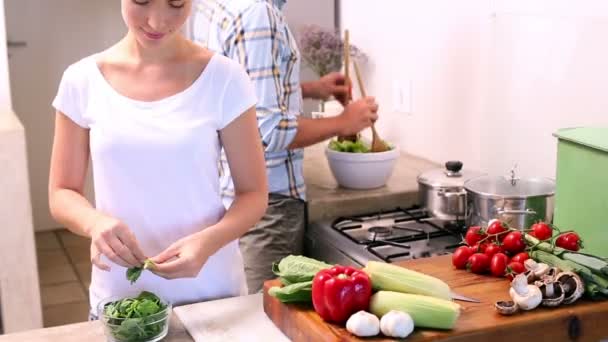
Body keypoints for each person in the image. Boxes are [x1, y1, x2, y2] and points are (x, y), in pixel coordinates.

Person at [48, 0, 268, 315]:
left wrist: (207, 242)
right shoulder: (81, 80)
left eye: (176, 4)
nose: (157, 21)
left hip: (211, 295)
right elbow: (61, 193)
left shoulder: (224, 78)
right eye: (142, 1)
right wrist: (93, 222)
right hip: (120, 300)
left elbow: (254, 194)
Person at [188, 0, 379, 293]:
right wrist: (344, 122)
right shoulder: (257, 14)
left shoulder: (212, 6)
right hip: (269, 205)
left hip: (225, 193)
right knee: (267, 323)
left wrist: (312, 89)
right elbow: (266, 131)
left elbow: (239, 97)